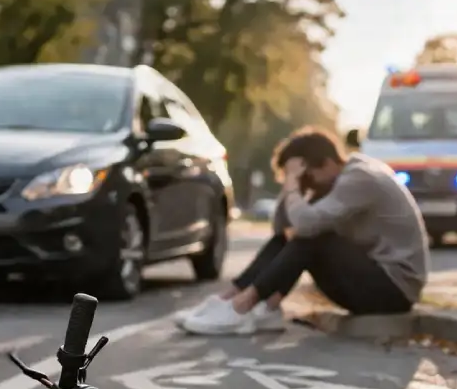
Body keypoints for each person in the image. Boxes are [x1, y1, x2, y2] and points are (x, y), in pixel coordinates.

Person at [177, 127, 430, 335]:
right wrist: (292, 186)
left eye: (306, 177)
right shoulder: (335, 180)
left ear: (328, 163)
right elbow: (282, 228)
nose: (305, 184)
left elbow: (306, 225)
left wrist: (293, 186)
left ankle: (243, 306)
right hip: (373, 281)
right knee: (299, 236)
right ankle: (243, 301)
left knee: (313, 236)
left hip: (394, 290)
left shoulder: (360, 178)